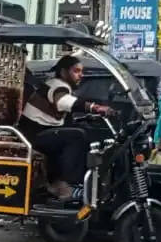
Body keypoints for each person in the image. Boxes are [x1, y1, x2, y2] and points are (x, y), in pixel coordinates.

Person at [19, 55, 112, 200]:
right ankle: (70, 183)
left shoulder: (61, 86)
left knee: (78, 132)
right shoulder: (57, 86)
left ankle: (63, 182)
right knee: (77, 136)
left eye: (81, 71)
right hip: (33, 134)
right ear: (63, 72)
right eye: (76, 71)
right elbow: (63, 102)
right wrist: (95, 107)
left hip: (41, 131)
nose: (80, 75)